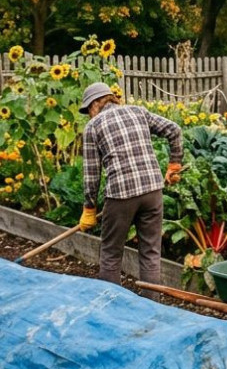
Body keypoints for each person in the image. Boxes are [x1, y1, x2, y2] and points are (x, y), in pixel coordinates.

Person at [78, 82, 183, 292]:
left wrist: (89, 208)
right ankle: (152, 309)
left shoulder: (93, 126)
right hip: (153, 191)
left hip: (121, 196)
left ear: (98, 103)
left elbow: (91, 173)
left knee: (110, 254)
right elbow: (174, 130)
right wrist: (174, 165)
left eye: (89, 108)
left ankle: (111, 306)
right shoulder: (138, 112)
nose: (89, 114)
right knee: (151, 253)